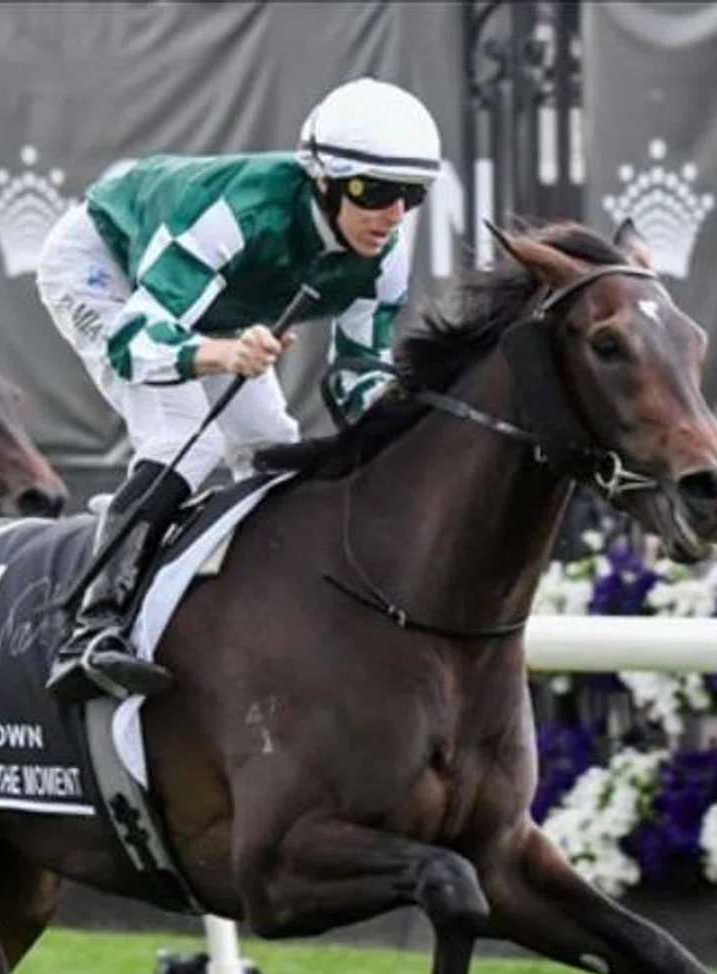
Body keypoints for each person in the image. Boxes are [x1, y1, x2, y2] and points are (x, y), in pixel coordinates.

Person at [34, 76, 440, 703]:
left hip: (210, 308)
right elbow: (132, 344)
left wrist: (411, 425)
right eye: (373, 191)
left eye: (410, 196)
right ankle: (93, 627)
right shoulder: (237, 215)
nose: (392, 215)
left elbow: (357, 375)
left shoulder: (384, 257)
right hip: (104, 268)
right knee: (182, 443)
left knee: (271, 445)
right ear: (323, 180)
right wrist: (224, 353)